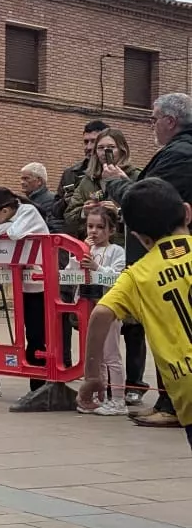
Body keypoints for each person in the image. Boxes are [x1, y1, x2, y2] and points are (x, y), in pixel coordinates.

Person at [80, 179, 192, 454]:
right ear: (187, 213)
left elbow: (101, 314)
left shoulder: (137, 274)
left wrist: (92, 375)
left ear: (139, 236)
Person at [101, 93, 192, 422]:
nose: (151, 125)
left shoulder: (180, 153)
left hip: (169, 259)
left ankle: (173, 406)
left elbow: (151, 205)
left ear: (170, 121)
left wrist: (116, 187)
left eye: (154, 119)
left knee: (172, 330)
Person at [0, 185, 49, 387]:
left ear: (5, 210)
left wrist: (1, 229)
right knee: (30, 334)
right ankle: (36, 381)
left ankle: (41, 382)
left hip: (42, 284)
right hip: (24, 286)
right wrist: (4, 228)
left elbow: (16, 233)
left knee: (39, 336)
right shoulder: (8, 217)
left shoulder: (28, 211)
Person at [77, 200, 127, 415]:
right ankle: (100, 396)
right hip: (88, 307)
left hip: (109, 309)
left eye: (99, 227)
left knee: (111, 355)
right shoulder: (84, 248)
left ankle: (118, 399)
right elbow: (72, 273)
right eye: (90, 226)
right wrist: (81, 254)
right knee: (95, 355)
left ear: (111, 230)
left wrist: (96, 266)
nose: (94, 231)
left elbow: (117, 277)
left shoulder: (117, 251)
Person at [63, 127, 137, 238]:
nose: (105, 152)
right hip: (94, 247)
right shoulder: (88, 180)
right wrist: (84, 212)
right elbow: (69, 216)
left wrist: (119, 213)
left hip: (124, 247)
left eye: (111, 147)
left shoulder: (135, 176)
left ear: (122, 150)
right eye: (101, 148)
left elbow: (145, 214)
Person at [54, 119, 108, 220]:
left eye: (94, 142)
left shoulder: (117, 174)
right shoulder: (70, 174)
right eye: (86, 142)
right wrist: (65, 201)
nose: (88, 147)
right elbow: (55, 212)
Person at [19, 163, 66, 233]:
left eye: (26, 178)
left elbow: (55, 228)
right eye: (21, 179)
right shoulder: (25, 202)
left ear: (39, 181)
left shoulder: (52, 201)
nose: (22, 182)